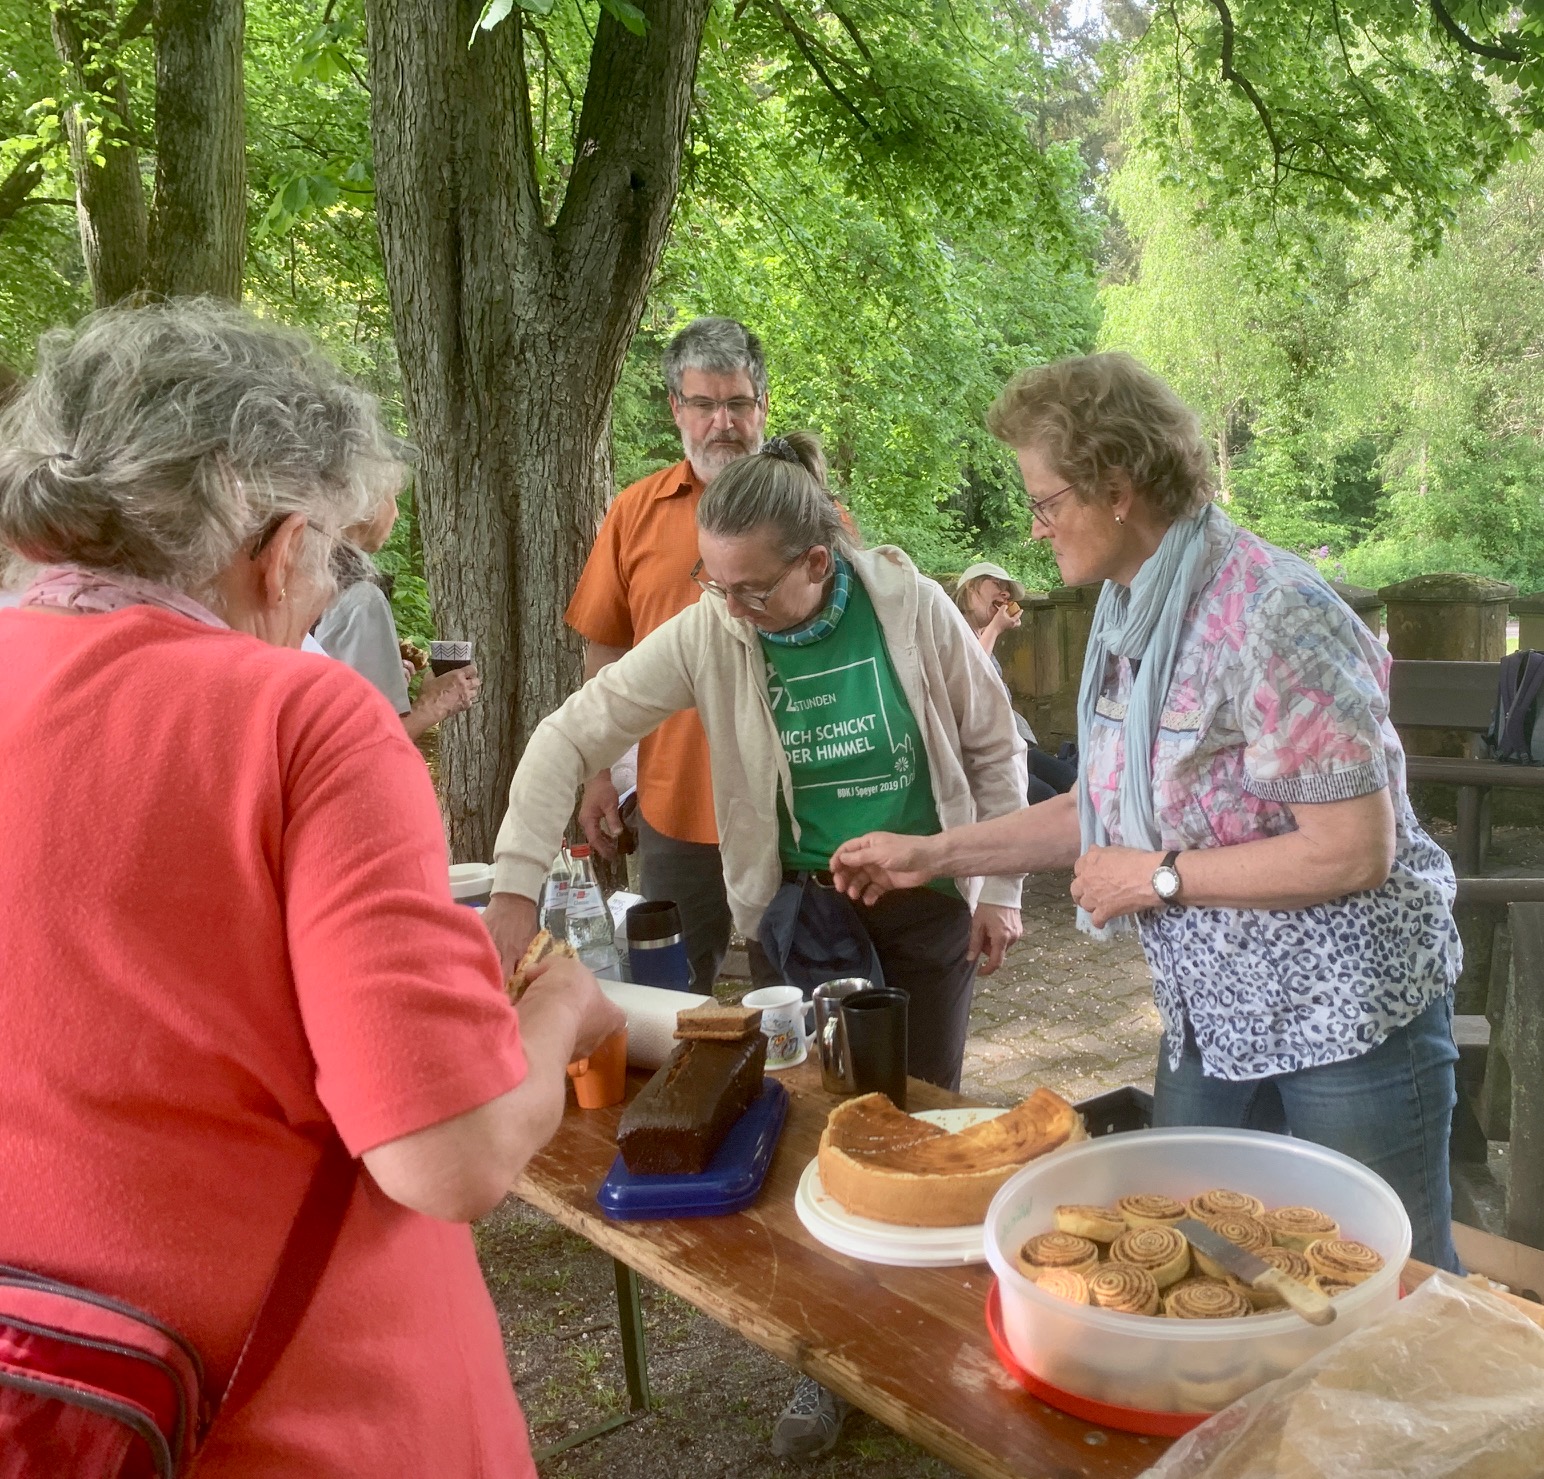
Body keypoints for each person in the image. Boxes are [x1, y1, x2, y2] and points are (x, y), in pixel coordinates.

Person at [0, 299, 624, 1476]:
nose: (333, 588)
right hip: (296, 1416)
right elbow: (453, 1156)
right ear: (280, 546)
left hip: (49, 1408)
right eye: (343, 554)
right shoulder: (296, 716)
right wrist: (558, 1008)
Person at [832, 352, 1465, 1273]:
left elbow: (1353, 850)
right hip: (1214, 1018)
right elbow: (1103, 809)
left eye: (1048, 502)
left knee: (1389, 1293)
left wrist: (1160, 877)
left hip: (1348, 1026)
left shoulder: (1274, 612)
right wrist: (929, 851)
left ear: (1118, 487)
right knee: (1207, 1269)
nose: (1036, 526)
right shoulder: (1135, 618)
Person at [488, 432, 1028, 1458]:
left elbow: (995, 744)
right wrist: (515, 887)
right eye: (713, 583)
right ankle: (825, 1364)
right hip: (799, 916)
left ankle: (925, 1351)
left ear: (816, 562)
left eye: (748, 589)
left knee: (918, 1129)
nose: (725, 607)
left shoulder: (908, 612)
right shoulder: (709, 632)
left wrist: (996, 888)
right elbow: (570, 734)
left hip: (922, 908)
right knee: (817, 1135)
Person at [484, 317, 776, 992]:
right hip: (673, 801)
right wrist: (596, 778)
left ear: (763, 406)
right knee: (667, 990)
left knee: (794, 987)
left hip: (786, 810)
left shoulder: (812, 514)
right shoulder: (635, 512)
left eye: (736, 403)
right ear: (677, 408)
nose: (721, 422)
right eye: (703, 404)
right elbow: (606, 649)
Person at [314, 495, 480, 739]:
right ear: (362, 502)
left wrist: (384, 673)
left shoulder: (309, 577)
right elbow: (377, 743)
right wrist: (433, 704)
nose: (397, 513)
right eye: (391, 496)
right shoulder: (361, 598)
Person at [954, 559, 1076, 800]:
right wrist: (996, 629)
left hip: (1008, 742)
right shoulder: (951, 627)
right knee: (1047, 797)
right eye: (996, 583)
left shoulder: (980, 633)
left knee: (1073, 779)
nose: (1005, 592)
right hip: (980, 752)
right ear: (970, 587)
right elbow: (967, 678)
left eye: (1007, 588)